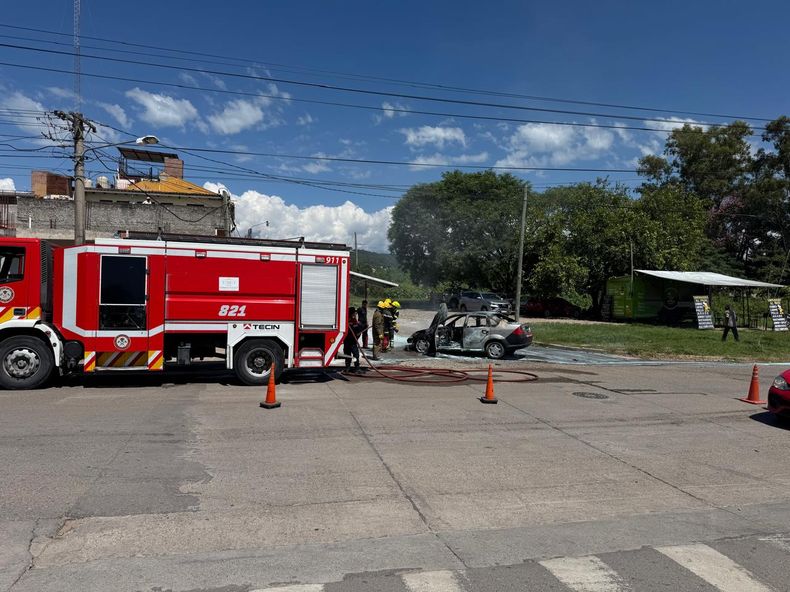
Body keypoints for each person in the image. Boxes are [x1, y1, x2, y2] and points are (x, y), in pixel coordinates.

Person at [343, 306, 364, 373]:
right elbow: (356, 329)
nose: (355, 314)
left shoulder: (349, 321)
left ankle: (351, 368)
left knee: (351, 355)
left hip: (349, 341)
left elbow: (358, 330)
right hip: (350, 341)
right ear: (351, 313)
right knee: (352, 355)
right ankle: (352, 368)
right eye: (354, 313)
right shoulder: (350, 321)